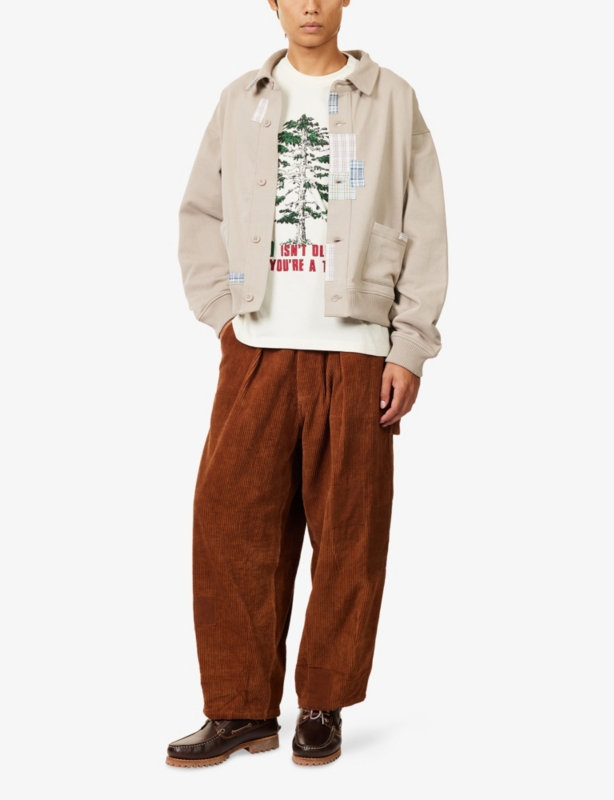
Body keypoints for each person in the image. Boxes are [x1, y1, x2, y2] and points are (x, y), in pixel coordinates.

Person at [166, 0, 448, 768]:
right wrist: (224, 318)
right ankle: (239, 709)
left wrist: (409, 348)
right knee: (229, 524)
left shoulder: (392, 99)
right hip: (257, 346)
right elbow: (199, 213)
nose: (312, 5)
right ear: (274, 3)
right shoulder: (241, 99)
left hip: (357, 354)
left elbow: (426, 227)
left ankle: (323, 704)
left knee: (350, 535)